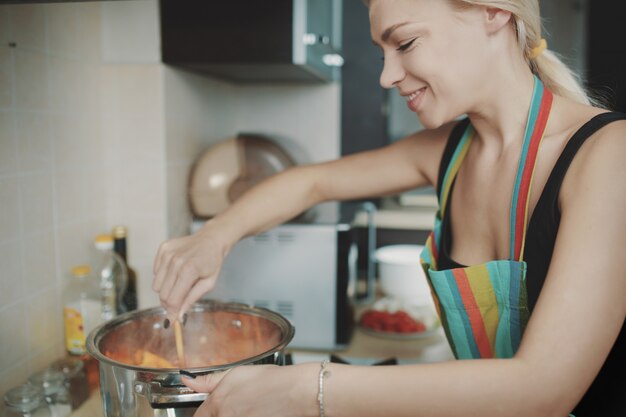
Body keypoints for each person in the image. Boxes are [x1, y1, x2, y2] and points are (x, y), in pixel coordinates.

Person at [152, 0, 626, 415]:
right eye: (383, 53)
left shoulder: (608, 155)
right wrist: (213, 236)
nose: (386, 76)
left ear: (493, 12)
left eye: (405, 42)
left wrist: (307, 389)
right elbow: (312, 183)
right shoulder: (450, 151)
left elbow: (542, 390)